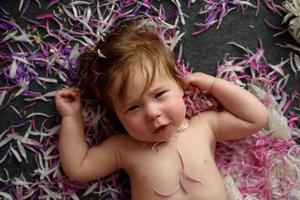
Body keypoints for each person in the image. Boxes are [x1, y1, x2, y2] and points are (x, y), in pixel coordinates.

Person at [55, 19, 269, 200]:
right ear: (117, 116)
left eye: (159, 95)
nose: (152, 112)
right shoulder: (124, 148)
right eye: (133, 108)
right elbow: (78, 167)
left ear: (180, 85)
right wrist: (71, 117)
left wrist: (213, 85)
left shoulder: (204, 126)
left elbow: (256, 118)